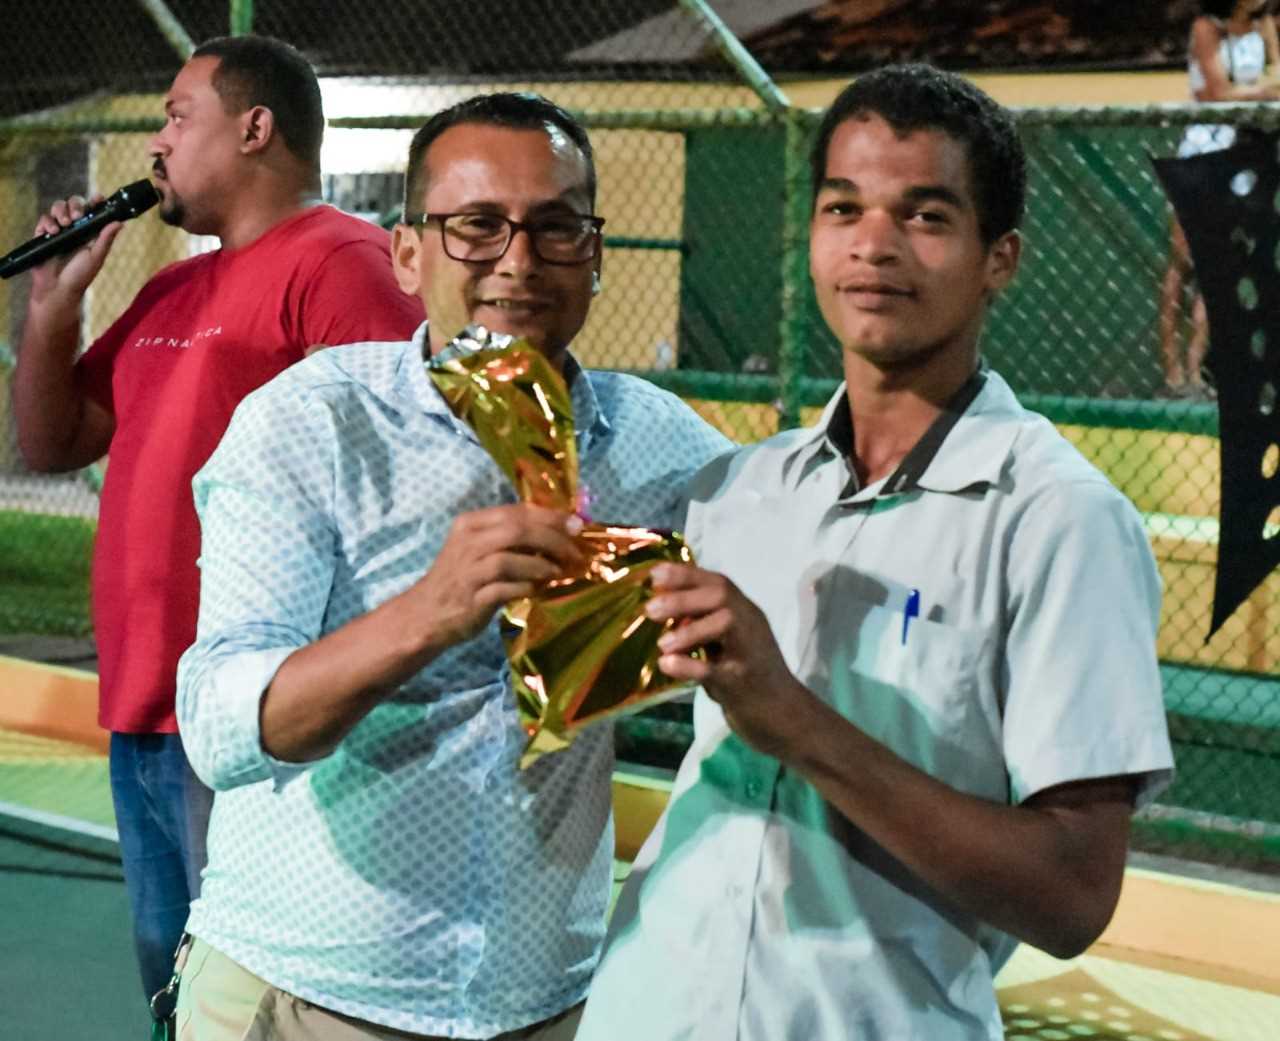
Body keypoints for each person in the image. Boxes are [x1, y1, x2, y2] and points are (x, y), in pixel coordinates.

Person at [576, 64, 1175, 1041]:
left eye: (925, 216)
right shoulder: (739, 488)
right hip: (644, 1011)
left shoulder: (1058, 519)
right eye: (841, 206)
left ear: (1001, 258)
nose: (871, 245)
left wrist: (794, 721)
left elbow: (1071, 896)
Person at [172, 92, 731, 1040]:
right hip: (306, 996)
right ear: (407, 252)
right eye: (476, 226)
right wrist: (426, 611)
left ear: (594, 256)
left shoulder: (661, 450)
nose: (517, 260)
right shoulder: (312, 424)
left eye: (556, 228)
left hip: (543, 1002)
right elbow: (223, 728)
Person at [8, 34, 423, 1014]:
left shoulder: (341, 265)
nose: (156, 143)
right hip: (145, 706)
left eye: (175, 116)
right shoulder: (171, 288)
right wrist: (51, 307)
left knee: (255, 1002)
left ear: (254, 127)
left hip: (251, 718)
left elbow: (403, 471)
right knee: (178, 994)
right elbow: (51, 438)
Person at [1158, 0, 1280, 399]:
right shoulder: (1206, 28)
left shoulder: (1266, 28)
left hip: (1241, 155)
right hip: (1200, 151)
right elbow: (1216, 93)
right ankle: (1172, 373)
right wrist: (1262, 93)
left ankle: (1197, 373)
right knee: (1183, 264)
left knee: (1220, 265)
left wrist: (1246, 93)